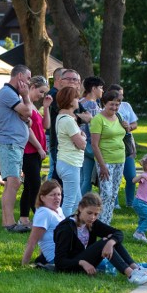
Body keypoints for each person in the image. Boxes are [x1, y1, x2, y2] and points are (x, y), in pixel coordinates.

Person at [53, 193, 147, 285]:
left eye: (96, 214)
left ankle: (136, 269)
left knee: (112, 239)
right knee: (105, 242)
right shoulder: (66, 228)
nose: (92, 217)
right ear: (80, 208)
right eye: (89, 213)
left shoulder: (92, 223)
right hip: (72, 267)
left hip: (86, 263)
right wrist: (82, 262)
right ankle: (131, 275)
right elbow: (59, 262)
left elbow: (118, 233)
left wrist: (111, 243)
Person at [0, 65, 33, 232]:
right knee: (14, 182)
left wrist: (25, 113)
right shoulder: (8, 93)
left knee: (12, 183)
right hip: (9, 143)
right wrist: (26, 96)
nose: (29, 82)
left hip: (14, 144)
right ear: (19, 77)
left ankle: (6, 221)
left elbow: (27, 118)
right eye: (28, 78)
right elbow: (28, 112)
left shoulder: (12, 95)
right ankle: (9, 223)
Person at [19, 75, 51, 228]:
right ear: (32, 88)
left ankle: (24, 218)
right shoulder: (24, 105)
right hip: (29, 151)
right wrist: (38, 147)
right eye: (41, 92)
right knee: (36, 186)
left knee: (29, 186)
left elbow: (46, 126)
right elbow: (27, 130)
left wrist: (45, 107)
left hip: (36, 152)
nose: (42, 95)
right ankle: (39, 218)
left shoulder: (33, 106)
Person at [89, 89, 125, 224]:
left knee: (113, 194)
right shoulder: (98, 119)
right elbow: (94, 145)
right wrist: (102, 166)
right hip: (106, 161)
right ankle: (99, 222)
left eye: (117, 104)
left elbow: (120, 134)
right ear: (104, 103)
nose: (114, 107)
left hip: (120, 159)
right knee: (106, 194)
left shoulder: (119, 116)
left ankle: (106, 221)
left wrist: (126, 127)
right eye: (112, 104)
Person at [54, 86, 87, 217]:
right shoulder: (68, 120)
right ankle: (64, 228)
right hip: (70, 163)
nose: (78, 100)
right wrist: (83, 137)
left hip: (67, 162)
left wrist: (80, 136)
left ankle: (74, 226)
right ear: (70, 100)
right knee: (69, 201)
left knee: (77, 201)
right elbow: (82, 145)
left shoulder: (62, 117)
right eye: (76, 97)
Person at [21, 180, 64, 266]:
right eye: (52, 195)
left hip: (66, 252)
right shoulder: (44, 213)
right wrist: (24, 264)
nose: (57, 198)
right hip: (58, 258)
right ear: (42, 197)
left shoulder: (58, 209)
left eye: (59, 194)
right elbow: (32, 241)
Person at [79, 76, 104, 194]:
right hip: (91, 145)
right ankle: (80, 204)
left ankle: (78, 203)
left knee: (83, 178)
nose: (102, 91)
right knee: (88, 180)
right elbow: (94, 128)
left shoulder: (80, 102)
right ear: (94, 88)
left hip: (81, 143)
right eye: (101, 88)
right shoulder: (92, 105)